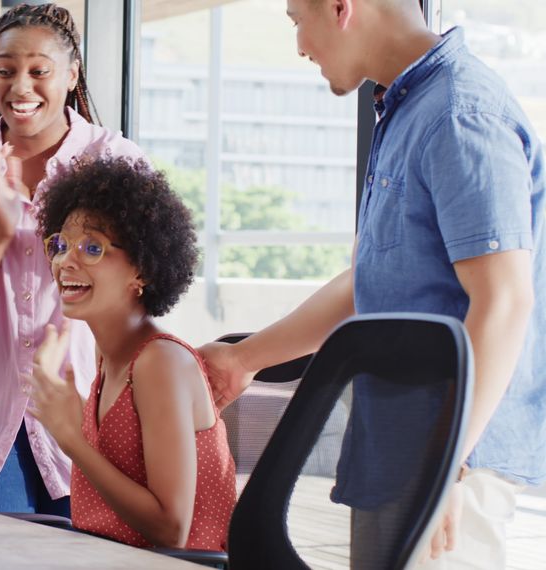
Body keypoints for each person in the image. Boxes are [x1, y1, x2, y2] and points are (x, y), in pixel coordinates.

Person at [200, 0, 544, 566]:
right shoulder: (411, 110)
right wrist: (245, 359)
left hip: (450, 464)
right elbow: (373, 281)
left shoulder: (460, 113)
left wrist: (444, 469)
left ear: (341, 7)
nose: (299, 45)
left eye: (296, 20)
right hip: (401, 451)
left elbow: (505, 301)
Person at [0, 3, 146, 514]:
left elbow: (144, 282)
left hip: (88, 420)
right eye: (6, 70)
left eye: (39, 71)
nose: (20, 87)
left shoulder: (116, 161)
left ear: (72, 74)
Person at [24, 156, 236, 549]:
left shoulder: (160, 362)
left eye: (92, 248)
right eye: (61, 245)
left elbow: (171, 529)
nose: (65, 261)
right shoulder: (108, 356)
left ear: (142, 270)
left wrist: (72, 439)